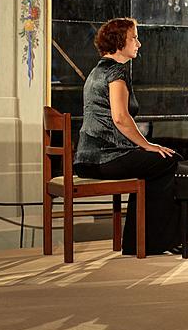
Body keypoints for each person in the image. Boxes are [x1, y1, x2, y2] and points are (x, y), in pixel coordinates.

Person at [73, 17, 182, 255]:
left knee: (153, 165)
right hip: (105, 158)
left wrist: (144, 147)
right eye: (134, 38)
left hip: (87, 158)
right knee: (170, 159)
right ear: (119, 41)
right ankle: (153, 241)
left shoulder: (97, 70)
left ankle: (139, 240)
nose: (139, 44)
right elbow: (120, 117)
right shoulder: (115, 71)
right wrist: (148, 145)